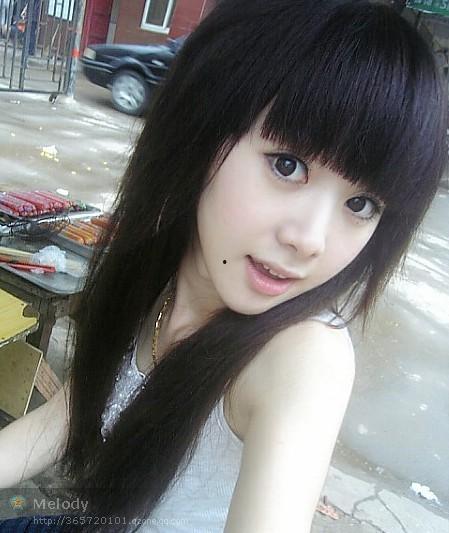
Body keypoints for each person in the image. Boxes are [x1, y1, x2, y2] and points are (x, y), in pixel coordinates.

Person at [0, 0, 446, 531]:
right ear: (202, 129)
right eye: (288, 165)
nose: (309, 240)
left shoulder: (304, 354)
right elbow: (71, 414)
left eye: (361, 204)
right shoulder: (161, 268)